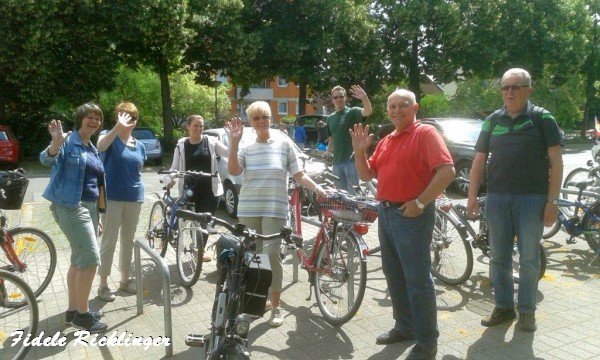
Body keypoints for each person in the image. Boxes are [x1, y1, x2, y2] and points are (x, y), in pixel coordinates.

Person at [349, 89, 454, 360]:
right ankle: (405, 326)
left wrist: (420, 203)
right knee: (393, 274)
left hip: (412, 217)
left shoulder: (425, 134)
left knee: (418, 280)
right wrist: (359, 152)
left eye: (402, 105)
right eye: (392, 106)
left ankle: (427, 341)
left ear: (415, 107)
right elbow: (366, 174)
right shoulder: (387, 139)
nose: (396, 110)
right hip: (386, 214)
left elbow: (447, 171)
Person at [467, 68, 563, 333]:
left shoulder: (542, 118)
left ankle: (527, 311)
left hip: (532, 199)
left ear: (528, 90)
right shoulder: (493, 120)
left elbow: (556, 162)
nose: (509, 92)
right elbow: (478, 161)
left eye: (516, 87)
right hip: (497, 198)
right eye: (505, 87)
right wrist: (472, 196)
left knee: (529, 258)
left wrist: (552, 201)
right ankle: (504, 306)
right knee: (499, 257)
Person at [227, 101, 327, 327]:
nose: (261, 122)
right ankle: (256, 303)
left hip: (274, 206)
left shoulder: (283, 143)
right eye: (256, 118)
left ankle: (276, 306)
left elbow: (298, 174)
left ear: (271, 119)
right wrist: (233, 142)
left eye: (265, 117)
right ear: (250, 122)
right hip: (249, 207)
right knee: (253, 256)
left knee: (271, 254)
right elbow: (234, 171)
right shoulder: (245, 144)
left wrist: (318, 189)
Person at [40, 102, 108, 333]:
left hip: (88, 208)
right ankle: (83, 315)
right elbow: (46, 159)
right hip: (70, 206)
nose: (94, 121)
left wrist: (96, 214)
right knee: (90, 259)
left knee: (78, 260)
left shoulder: (92, 147)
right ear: (80, 119)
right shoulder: (68, 140)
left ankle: (72, 310)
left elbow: (94, 183)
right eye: (89, 116)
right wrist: (55, 144)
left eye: (97, 118)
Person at [96, 102, 145, 302]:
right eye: (124, 116)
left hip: (134, 198)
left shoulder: (139, 145)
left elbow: (137, 171)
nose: (129, 120)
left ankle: (124, 281)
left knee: (128, 240)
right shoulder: (109, 136)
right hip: (112, 198)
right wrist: (118, 126)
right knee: (109, 240)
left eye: (132, 117)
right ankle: (103, 284)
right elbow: (100, 146)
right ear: (117, 117)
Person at [162, 114, 228, 253]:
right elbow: (174, 167)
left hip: (210, 190)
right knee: (192, 222)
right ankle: (194, 247)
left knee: (204, 221)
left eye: (201, 126)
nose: (198, 129)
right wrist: (169, 179)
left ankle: (199, 251)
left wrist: (234, 139)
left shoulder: (211, 142)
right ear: (188, 127)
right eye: (195, 126)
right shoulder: (181, 145)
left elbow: (228, 153)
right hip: (189, 189)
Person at [325, 84, 372, 194]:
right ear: (332, 99)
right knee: (341, 196)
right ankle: (346, 212)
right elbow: (331, 138)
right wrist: (328, 151)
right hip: (336, 162)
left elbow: (368, 111)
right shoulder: (330, 118)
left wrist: (364, 97)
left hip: (352, 161)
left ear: (345, 98)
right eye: (335, 97)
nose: (338, 99)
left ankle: (357, 212)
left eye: (341, 96)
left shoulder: (352, 112)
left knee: (353, 196)